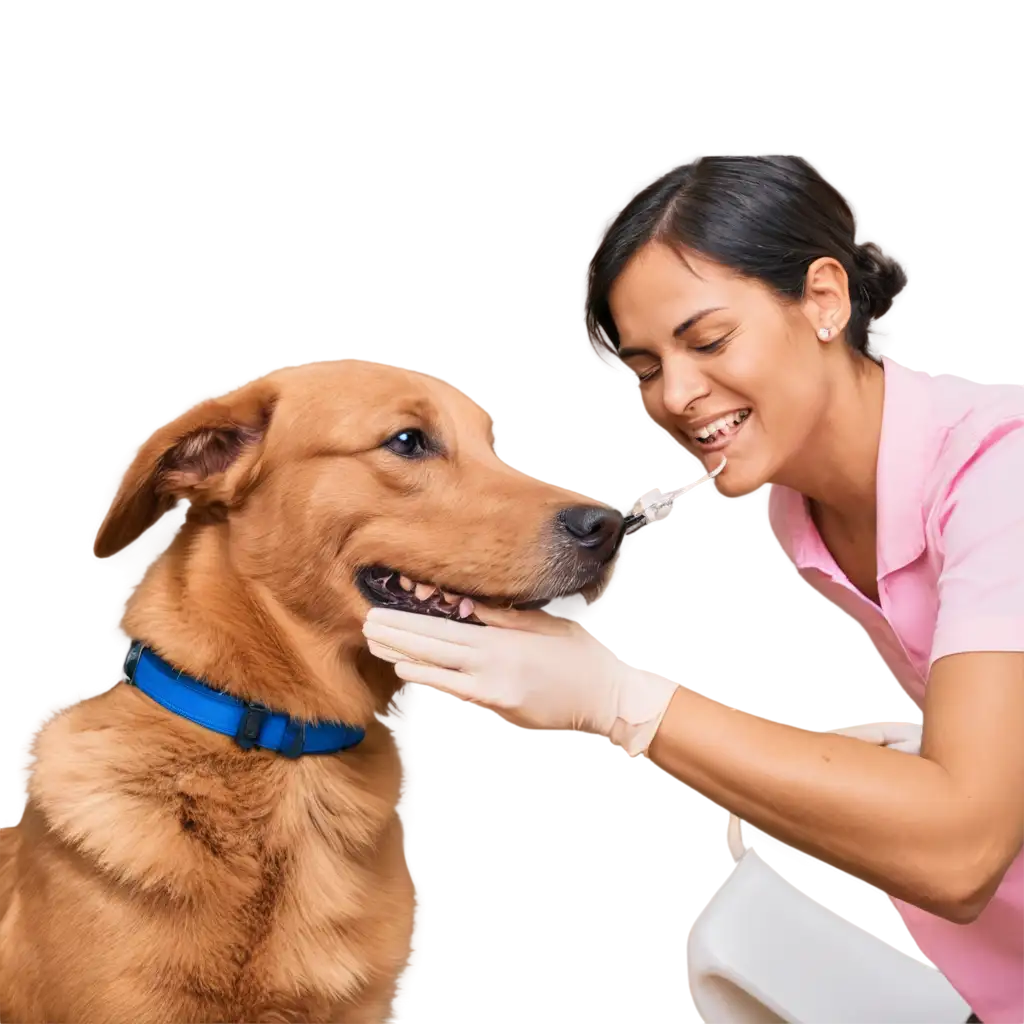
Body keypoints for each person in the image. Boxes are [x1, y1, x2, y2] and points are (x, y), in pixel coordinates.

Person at [361, 150, 1023, 1024]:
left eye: (708, 341)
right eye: (644, 367)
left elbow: (960, 848)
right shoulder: (801, 502)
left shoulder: (998, 472)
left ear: (825, 299)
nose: (676, 395)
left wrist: (621, 700)